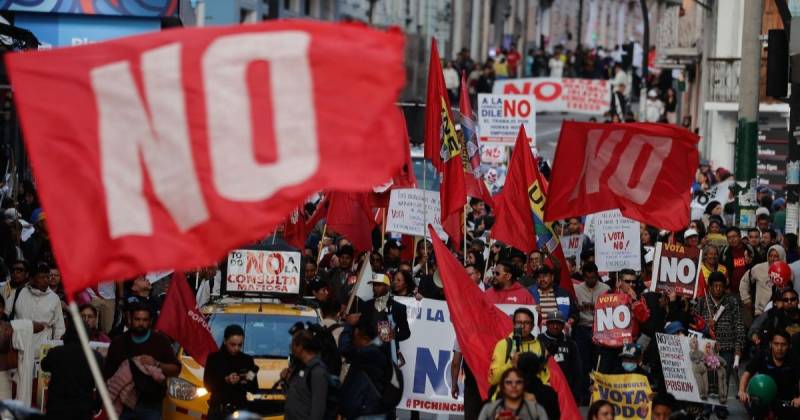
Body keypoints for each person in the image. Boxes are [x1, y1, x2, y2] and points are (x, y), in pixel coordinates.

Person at [104, 303, 181, 420]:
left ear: (150, 321)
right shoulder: (118, 343)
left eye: (145, 320)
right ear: (130, 319)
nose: (140, 323)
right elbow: (108, 374)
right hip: (124, 405)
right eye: (137, 319)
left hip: (151, 405)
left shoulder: (160, 341)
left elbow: (176, 369)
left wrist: (156, 363)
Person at [692, 272, 744, 415]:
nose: (718, 289)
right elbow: (694, 323)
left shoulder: (732, 302)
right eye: (715, 286)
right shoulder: (702, 302)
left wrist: (738, 347)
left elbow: (738, 324)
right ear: (709, 287)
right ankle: (707, 407)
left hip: (726, 346)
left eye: (721, 286)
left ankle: (721, 407)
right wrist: (705, 326)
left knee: (723, 376)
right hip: (706, 347)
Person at [347, 273, 410, 364]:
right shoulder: (365, 305)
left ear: (387, 287)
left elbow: (406, 332)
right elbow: (360, 329)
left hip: (387, 355)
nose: (375, 288)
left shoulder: (398, 308)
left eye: (378, 285)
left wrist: (394, 335)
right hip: (366, 353)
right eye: (374, 285)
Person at [41, 327, 101, 420]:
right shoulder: (96, 357)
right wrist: (96, 406)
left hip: (56, 410)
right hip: (83, 411)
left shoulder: (56, 352)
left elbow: (44, 366)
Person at [338, 318, 393, 419]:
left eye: (353, 338)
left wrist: (348, 325)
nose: (353, 342)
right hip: (367, 409)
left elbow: (344, 348)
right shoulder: (380, 350)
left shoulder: (371, 352)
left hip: (366, 411)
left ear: (359, 335)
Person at [739, 330, 800, 418]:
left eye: (783, 344)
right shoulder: (762, 356)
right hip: (763, 399)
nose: (779, 348)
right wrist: (742, 391)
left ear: (789, 346)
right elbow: (747, 373)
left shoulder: (794, 359)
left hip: (786, 400)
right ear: (770, 344)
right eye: (776, 344)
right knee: (756, 410)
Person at [203, 324, 258, 419]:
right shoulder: (213, 359)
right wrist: (225, 380)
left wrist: (243, 380)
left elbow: (254, 388)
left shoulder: (247, 360)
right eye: (232, 344)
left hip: (240, 412)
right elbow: (208, 385)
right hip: (218, 412)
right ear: (225, 341)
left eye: (240, 345)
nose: (236, 348)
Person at [573, 262, 609, 403]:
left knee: (599, 363)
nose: (590, 281)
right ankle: (584, 396)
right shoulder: (576, 289)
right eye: (587, 278)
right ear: (583, 277)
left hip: (600, 330)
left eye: (593, 278)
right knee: (583, 364)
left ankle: (600, 395)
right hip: (582, 328)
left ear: (597, 275)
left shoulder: (606, 289)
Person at [10, 261, 65, 351]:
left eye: (47, 276)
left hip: (41, 352)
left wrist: (54, 350)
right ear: (31, 278)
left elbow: (59, 329)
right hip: (18, 350)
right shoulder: (19, 292)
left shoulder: (54, 299)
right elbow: (7, 316)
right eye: (42, 277)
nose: (46, 280)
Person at [489, 308, 548, 387]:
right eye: (519, 323)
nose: (522, 326)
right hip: (508, 395)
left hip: (532, 396)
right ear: (513, 324)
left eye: (527, 323)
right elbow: (493, 379)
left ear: (533, 326)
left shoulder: (540, 346)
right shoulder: (504, 344)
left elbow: (544, 379)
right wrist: (511, 364)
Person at [283, 328, 331, 420]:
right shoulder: (300, 367)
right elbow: (297, 395)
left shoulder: (317, 371)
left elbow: (318, 409)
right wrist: (286, 380)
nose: (291, 349)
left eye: (292, 345)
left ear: (300, 347)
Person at [537, 311, 581, 400]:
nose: (555, 326)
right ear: (547, 324)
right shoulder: (538, 340)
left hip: (565, 388)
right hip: (545, 387)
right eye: (552, 323)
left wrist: (576, 393)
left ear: (563, 325)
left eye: (558, 323)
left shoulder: (570, 343)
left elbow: (577, 369)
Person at [477, 368, 549, 420]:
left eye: (518, 382)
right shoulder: (489, 409)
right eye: (509, 382)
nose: (513, 386)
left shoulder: (536, 408)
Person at [741, 244, 787, 317]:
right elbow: (744, 282)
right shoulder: (758, 268)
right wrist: (746, 299)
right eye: (770, 255)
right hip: (760, 312)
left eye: (776, 256)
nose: (772, 258)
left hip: (781, 312)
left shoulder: (787, 271)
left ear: (781, 257)